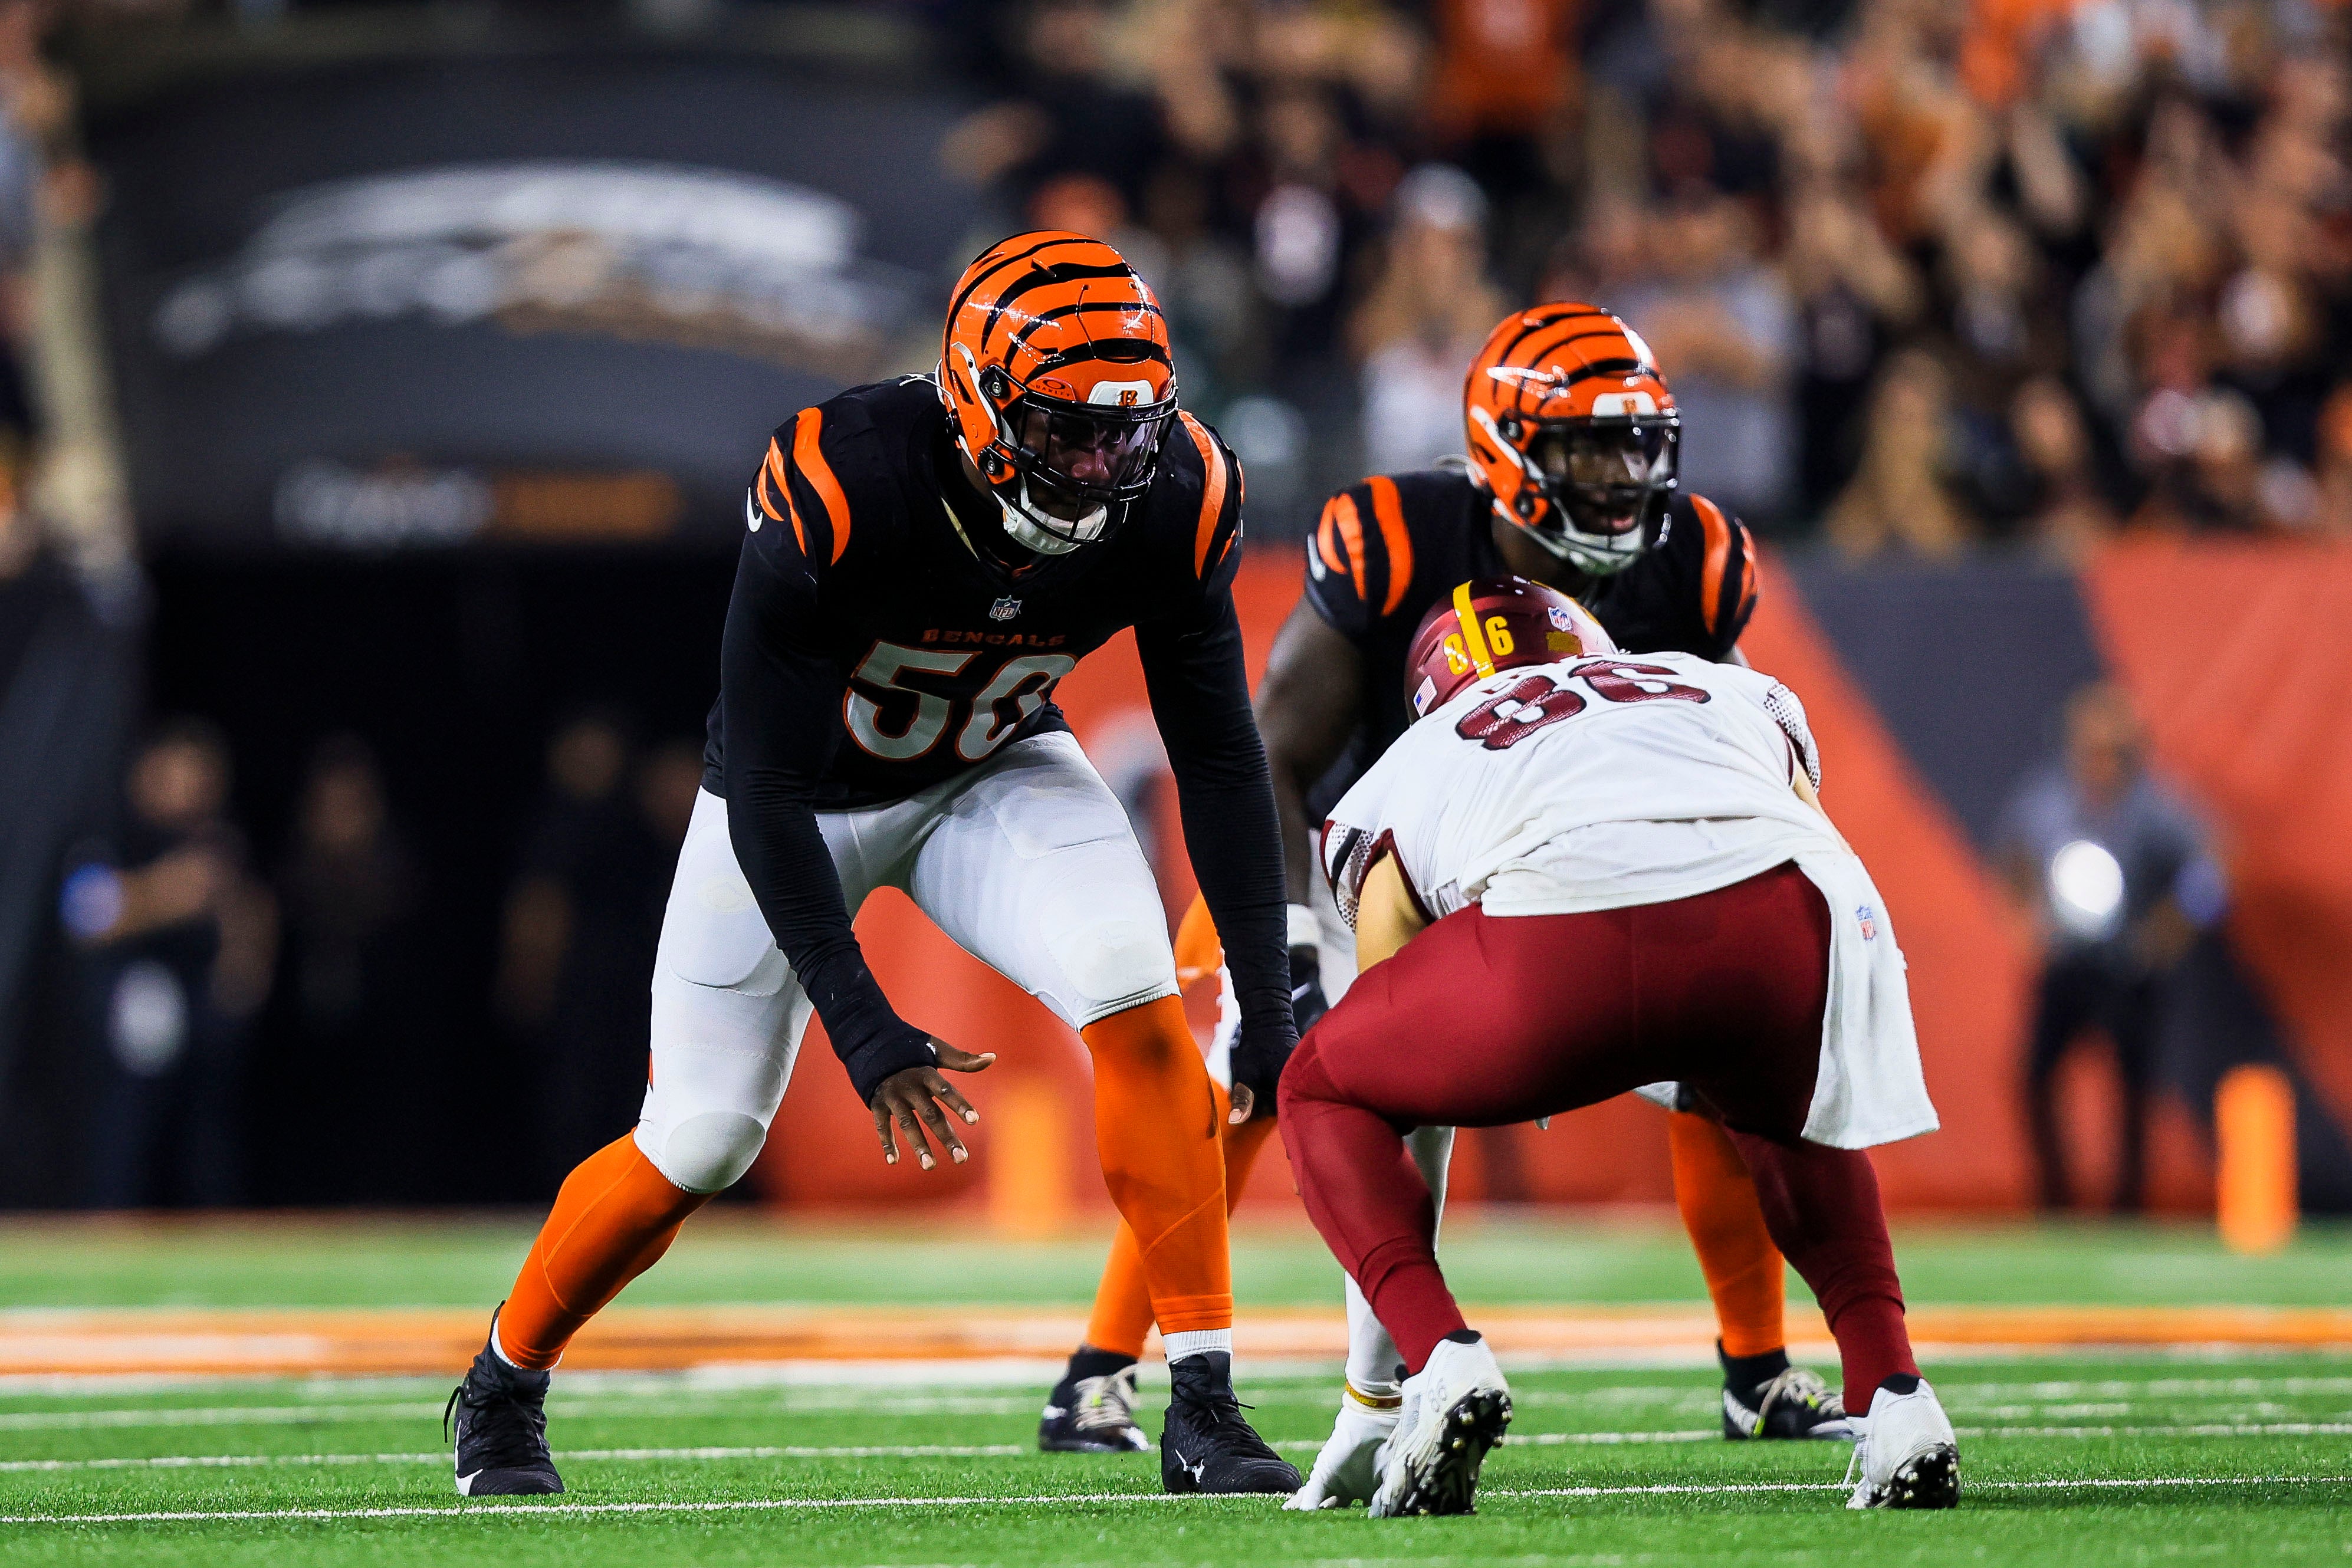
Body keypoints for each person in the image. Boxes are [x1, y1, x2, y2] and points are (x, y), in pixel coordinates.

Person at [445, 232, 1300, 1499]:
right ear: (973, 401)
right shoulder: (843, 481)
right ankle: (504, 1380)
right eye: (1067, 431)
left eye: (1125, 434)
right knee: (702, 1134)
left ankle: (1201, 1404)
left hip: (992, 768)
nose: (1100, 466)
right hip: (797, 804)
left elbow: (1222, 760)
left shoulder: (1176, 494)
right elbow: (768, 787)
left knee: (1137, 994)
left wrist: (1268, 1003)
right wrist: (860, 1021)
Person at [1041, 304, 1851, 1474]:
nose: (1620, 477)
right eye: (1583, 449)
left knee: (1721, 1065)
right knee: (1247, 1084)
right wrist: (1292, 955)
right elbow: (1269, 750)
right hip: (1338, 848)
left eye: (1635, 445)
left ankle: (1754, 1369)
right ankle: (1102, 1370)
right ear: (1504, 454)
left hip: (1543, 864)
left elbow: (1737, 753)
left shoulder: (1693, 565)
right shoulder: (1397, 537)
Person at [1282, 577, 1954, 1516]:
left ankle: (1443, 1361)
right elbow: (1803, 828)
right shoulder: (1716, 681)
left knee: (1320, 1086)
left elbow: (1405, 1090)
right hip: (1792, 921)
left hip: (1561, 948)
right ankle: (1897, 1396)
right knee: (1778, 1102)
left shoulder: (1403, 766)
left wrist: (1374, 1390)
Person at [1996, 682, 2216, 1211]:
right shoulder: (2046, 799)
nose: (2098, 755)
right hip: (2066, 962)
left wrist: (2170, 931)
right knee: (2034, 1075)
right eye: (2089, 743)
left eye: (2111, 745)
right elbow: (2012, 858)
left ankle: (2127, 1206)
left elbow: (2213, 874)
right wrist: (2025, 921)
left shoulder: (2157, 806)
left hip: (2128, 968)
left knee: (2133, 1091)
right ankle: (2056, 1201)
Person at [63, 719, 274, 1208]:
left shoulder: (219, 838)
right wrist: (164, 893)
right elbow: (85, 914)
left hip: (204, 1006)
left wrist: (246, 962)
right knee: (129, 1129)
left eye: (201, 771)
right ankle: (112, 1228)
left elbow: (252, 905)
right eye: (178, 769)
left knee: (209, 1138)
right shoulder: (112, 829)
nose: (191, 784)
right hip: (132, 998)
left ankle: (214, 1230)